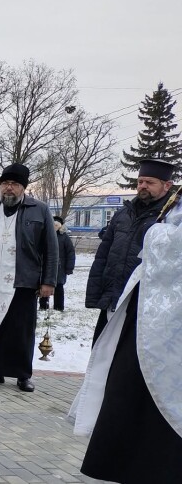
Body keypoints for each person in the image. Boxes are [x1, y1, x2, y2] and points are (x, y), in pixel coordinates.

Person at [71, 185, 182, 483]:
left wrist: (156, 235)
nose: (143, 185)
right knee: (129, 387)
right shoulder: (165, 204)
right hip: (148, 310)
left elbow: (170, 246)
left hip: (169, 321)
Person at [0, 163, 58, 393]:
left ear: (23, 188)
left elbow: (51, 248)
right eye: (5, 183)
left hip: (22, 281)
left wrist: (49, 281)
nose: (9, 188)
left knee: (20, 330)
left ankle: (22, 375)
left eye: (15, 184)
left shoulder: (39, 210)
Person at [85, 159, 174, 342]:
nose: (143, 186)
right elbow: (103, 255)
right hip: (113, 296)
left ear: (167, 185)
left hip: (145, 302)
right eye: (140, 181)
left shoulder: (172, 217)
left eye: (150, 182)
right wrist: (95, 295)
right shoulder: (122, 215)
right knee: (104, 354)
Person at [40, 216, 75, 311]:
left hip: (60, 267)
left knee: (59, 287)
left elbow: (70, 252)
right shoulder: (45, 235)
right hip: (46, 265)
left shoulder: (64, 237)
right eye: (53, 224)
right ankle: (43, 306)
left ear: (60, 226)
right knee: (44, 285)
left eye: (57, 225)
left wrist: (69, 267)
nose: (55, 226)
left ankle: (59, 307)